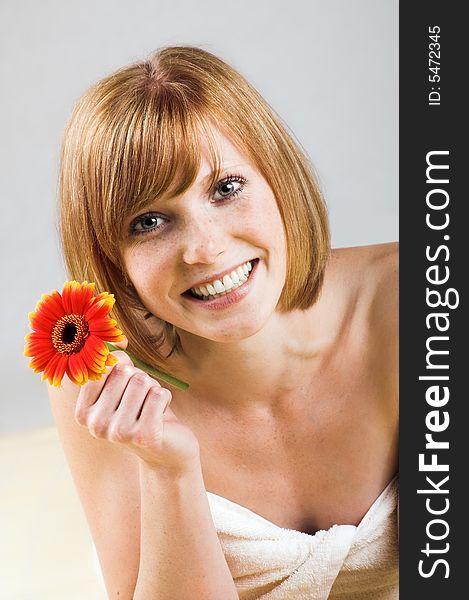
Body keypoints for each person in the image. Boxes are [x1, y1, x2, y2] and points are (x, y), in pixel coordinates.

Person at [49, 46, 398, 599]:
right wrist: (169, 471)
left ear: (278, 178)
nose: (205, 249)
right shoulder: (97, 382)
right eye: (149, 221)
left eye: (226, 188)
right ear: (111, 258)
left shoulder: (414, 300)